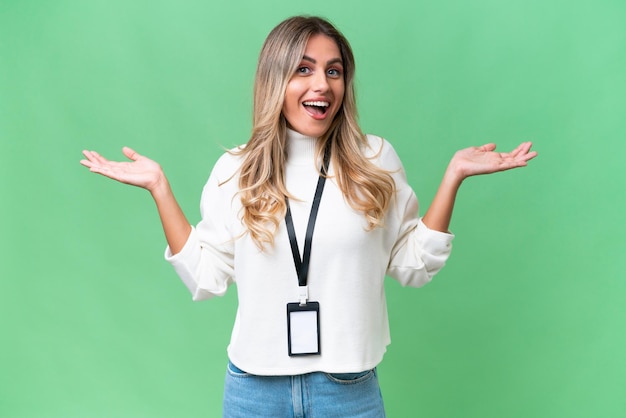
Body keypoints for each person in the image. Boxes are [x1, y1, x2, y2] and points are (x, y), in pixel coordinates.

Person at [80, 15, 537, 418]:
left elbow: (412, 265)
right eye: (304, 69)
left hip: (348, 388)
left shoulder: (375, 158)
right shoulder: (236, 170)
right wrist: (160, 187)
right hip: (254, 389)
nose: (322, 84)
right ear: (274, 80)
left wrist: (454, 175)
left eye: (333, 71)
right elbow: (207, 277)